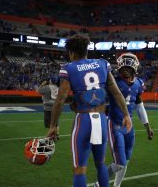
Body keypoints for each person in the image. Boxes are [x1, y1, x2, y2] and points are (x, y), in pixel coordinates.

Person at [46, 35, 132, 187]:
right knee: (100, 164)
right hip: (101, 119)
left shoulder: (68, 68)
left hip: (84, 119)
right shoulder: (103, 64)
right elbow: (116, 93)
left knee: (80, 169)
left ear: (72, 53)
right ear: (86, 50)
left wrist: (54, 125)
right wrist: (126, 114)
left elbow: (60, 100)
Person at [97, 53, 154, 187]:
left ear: (135, 69)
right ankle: (98, 184)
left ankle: (117, 186)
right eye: (123, 69)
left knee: (125, 162)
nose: (125, 71)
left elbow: (140, 107)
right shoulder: (113, 82)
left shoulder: (139, 84)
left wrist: (147, 127)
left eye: (128, 68)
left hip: (129, 127)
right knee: (119, 163)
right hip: (115, 124)